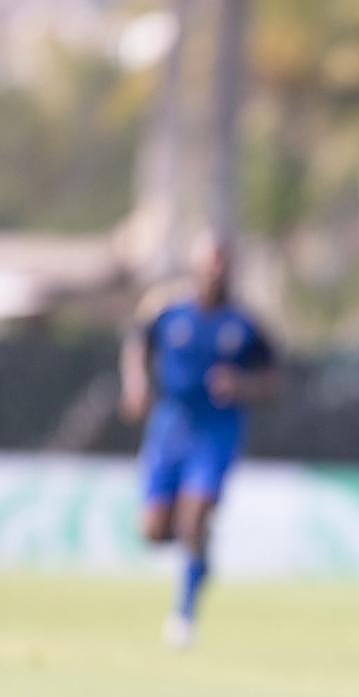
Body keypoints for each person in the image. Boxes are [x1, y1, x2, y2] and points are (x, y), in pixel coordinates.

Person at [119, 231, 279, 649]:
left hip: (216, 431)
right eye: (209, 262)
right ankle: (199, 553)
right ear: (196, 267)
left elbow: (273, 380)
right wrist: (136, 385)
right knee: (154, 530)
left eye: (222, 263)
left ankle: (184, 614)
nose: (215, 270)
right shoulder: (167, 310)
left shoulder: (243, 325)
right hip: (169, 426)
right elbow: (137, 344)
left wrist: (241, 384)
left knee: (193, 517)